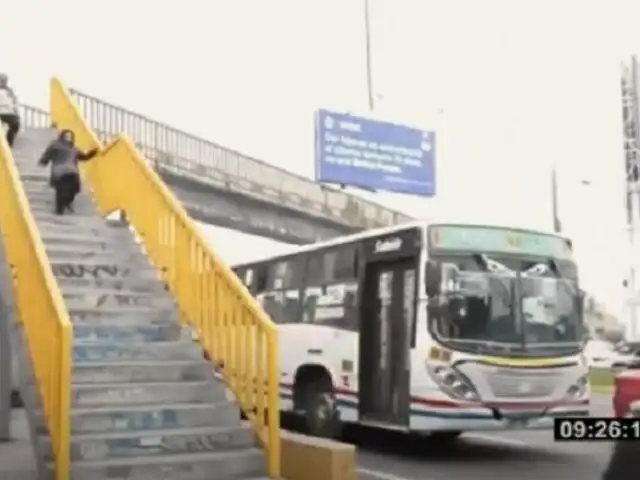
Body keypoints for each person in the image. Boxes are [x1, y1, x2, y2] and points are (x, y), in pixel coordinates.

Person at [38, 129, 99, 215]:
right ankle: (60, 209)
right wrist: (43, 161)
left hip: (71, 171)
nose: (68, 138)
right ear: (62, 136)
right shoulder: (55, 144)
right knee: (61, 190)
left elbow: (84, 157)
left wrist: (93, 152)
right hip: (59, 171)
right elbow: (47, 154)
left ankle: (65, 203)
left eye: (70, 137)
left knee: (74, 189)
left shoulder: (73, 148)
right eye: (67, 136)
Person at [0, 74, 20, 147]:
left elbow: (14, 102)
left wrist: (16, 113)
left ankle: (8, 143)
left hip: (8, 112)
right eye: (1, 80)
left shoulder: (10, 91)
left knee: (15, 124)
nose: (3, 82)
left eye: (4, 80)